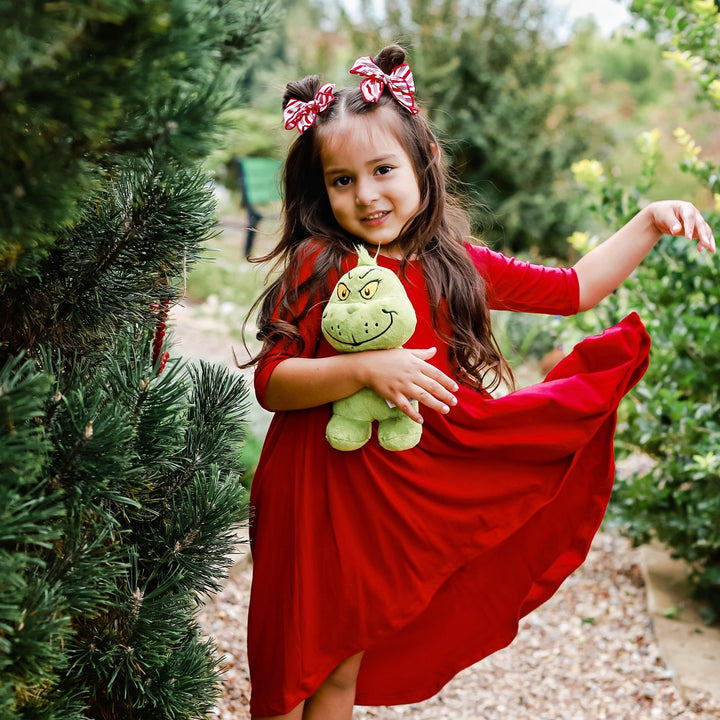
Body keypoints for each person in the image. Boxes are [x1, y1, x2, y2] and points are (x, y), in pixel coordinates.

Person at [241, 44, 716, 720]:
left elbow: (574, 290)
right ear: (323, 190)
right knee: (289, 666)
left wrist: (646, 221)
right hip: (313, 487)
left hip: (391, 503)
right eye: (342, 181)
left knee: (340, 671)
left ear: (421, 167)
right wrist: (364, 367)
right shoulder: (321, 261)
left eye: (382, 170)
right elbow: (274, 383)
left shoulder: (454, 264)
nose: (367, 194)